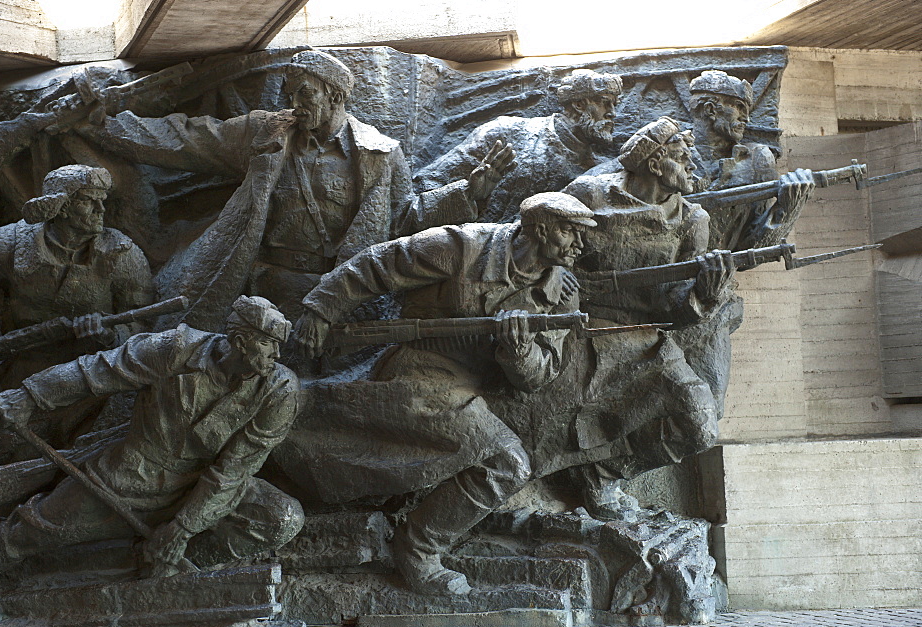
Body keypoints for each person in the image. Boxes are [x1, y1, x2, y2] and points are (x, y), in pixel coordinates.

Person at [281, 192, 595, 595]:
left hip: (477, 385)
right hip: (419, 368)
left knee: (516, 456)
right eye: (571, 232)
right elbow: (381, 264)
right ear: (540, 228)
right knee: (507, 463)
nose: (580, 244)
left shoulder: (561, 294)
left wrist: (519, 349)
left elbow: (538, 375)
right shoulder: (465, 247)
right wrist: (322, 308)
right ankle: (418, 551)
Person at [79, 49, 513, 328]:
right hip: (261, 283)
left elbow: (404, 220)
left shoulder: (381, 155)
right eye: (290, 93)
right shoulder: (266, 134)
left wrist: (467, 194)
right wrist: (101, 127)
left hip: (333, 293)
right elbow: (188, 138)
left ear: (336, 96)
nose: (294, 103)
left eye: (305, 93)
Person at [0, 296, 304, 612]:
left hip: (210, 492)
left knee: (282, 517)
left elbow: (234, 471)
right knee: (27, 531)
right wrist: (28, 396)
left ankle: (149, 567)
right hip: (131, 472)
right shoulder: (174, 349)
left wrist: (184, 528)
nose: (276, 355)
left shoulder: (280, 388)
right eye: (269, 344)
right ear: (240, 340)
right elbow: (97, 371)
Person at [0, 165, 153, 489]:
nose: (102, 210)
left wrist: (109, 336)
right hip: (9, 363)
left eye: (102, 201)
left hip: (79, 382)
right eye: (89, 202)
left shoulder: (122, 255)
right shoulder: (9, 243)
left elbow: (143, 324)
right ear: (60, 206)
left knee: (0, 450)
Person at [560, 117, 735, 516]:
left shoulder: (693, 221)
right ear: (655, 164)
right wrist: (558, 276)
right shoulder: (588, 194)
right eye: (682, 157)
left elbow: (676, 306)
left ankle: (605, 473)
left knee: (700, 425)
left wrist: (702, 295)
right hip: (580, 324)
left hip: (646, 337)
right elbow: (543, 238)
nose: (693, 166)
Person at [415, 69, 622, 227]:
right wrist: (470, 194)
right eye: (605, 103)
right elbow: (423, 187)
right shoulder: (505, 133)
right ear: (579, 104)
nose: (612, 113)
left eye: (615, 105)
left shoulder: (598, 172)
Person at [687, 69, 814, 251]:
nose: (745, 118)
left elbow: (752, 250)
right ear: (710, 109)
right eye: (738, 107)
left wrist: (789, 207)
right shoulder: (668, 154)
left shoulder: (756, 160)